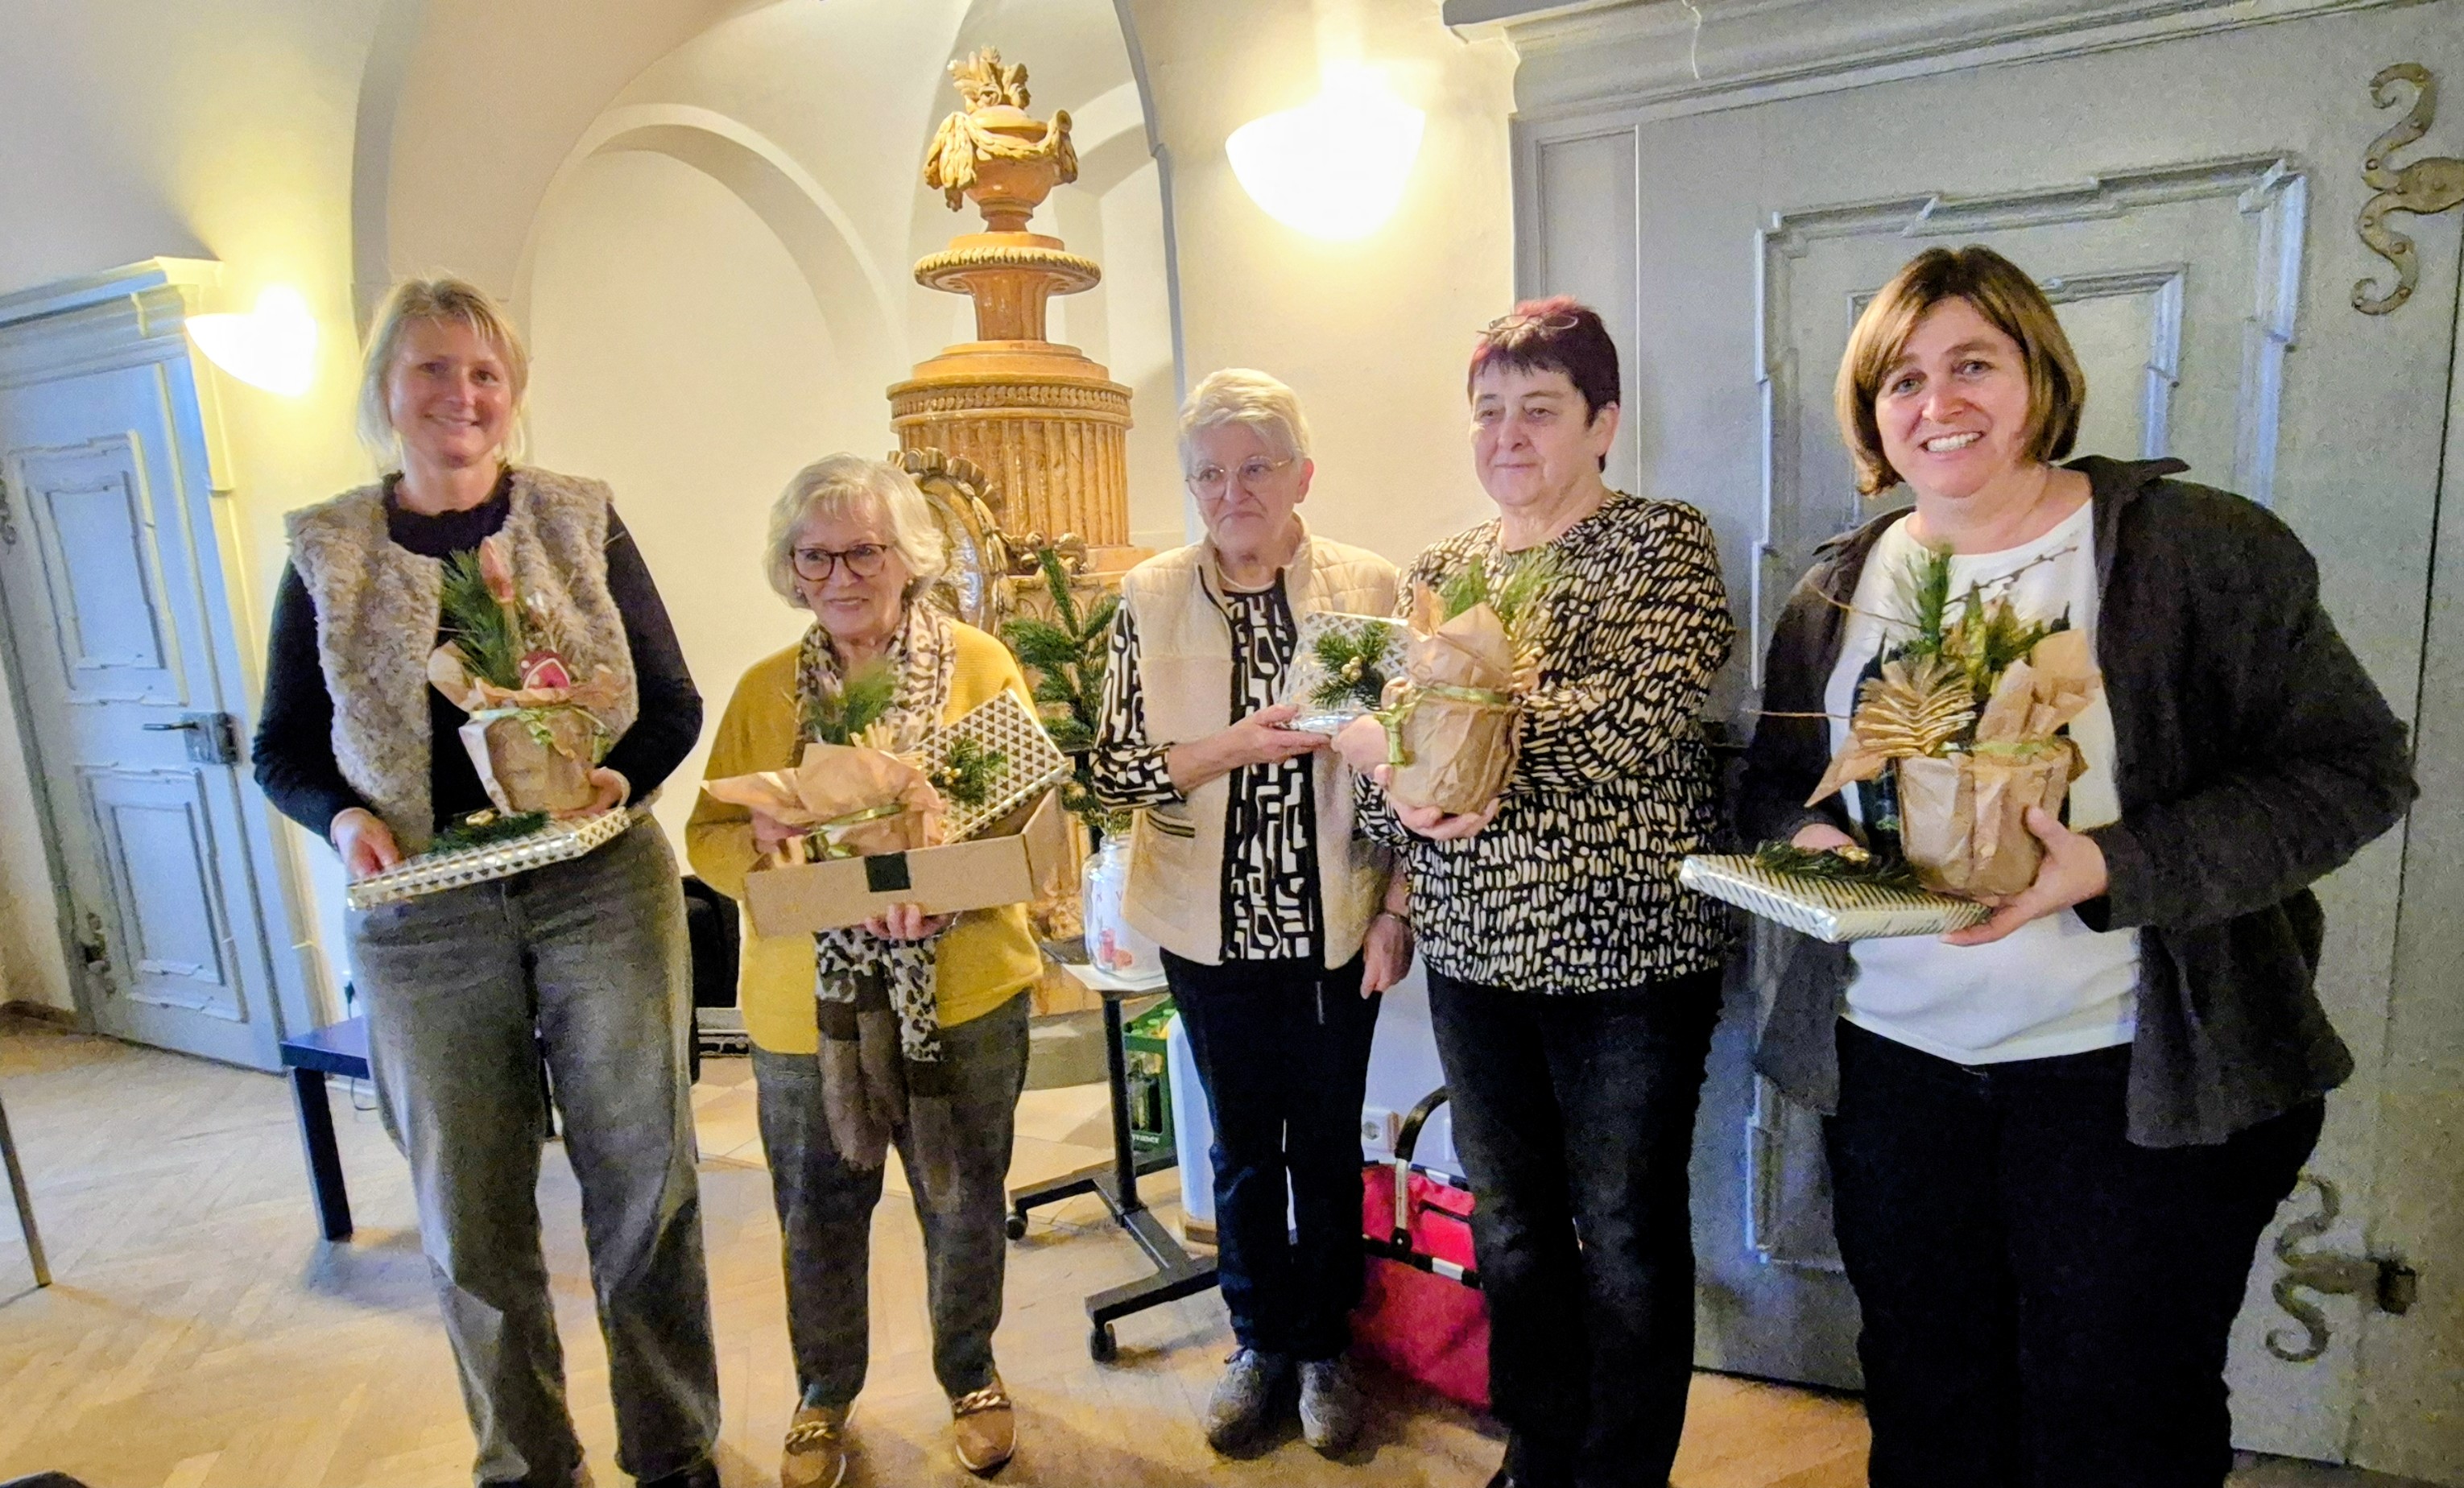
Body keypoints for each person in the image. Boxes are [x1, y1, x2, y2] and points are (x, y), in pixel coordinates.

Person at [1736, 244, 2417, 1487]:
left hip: (2124, 1084)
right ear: (1872, 415)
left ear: (2041, 378)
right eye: (1901, 380)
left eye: (1973, 365)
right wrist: (1814, 841)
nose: (1936, 403)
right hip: (1893, 1077)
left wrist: (2107, 866)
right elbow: (1780, 784)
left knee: (2123, 1427)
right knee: (1929, 1406)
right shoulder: (1837, 586)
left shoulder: (2194, 551)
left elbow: (2352, 771)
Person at [251, 278, 718, 1488]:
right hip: (424, 915)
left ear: (511, 393)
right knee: (467, 1204)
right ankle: (525, 1466)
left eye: (484, 372)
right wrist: (346, 816)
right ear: (385, 391)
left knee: (645, 1178)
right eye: (431, 368)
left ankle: (675, 1453)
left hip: (598, 885)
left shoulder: (579, 517)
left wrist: (616, 780)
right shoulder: (329, 549)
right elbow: (282, 748)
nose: (460, 394)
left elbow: (671, 704)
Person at [1335, 300, 1735, 1488]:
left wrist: (1432, 747)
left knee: (1625, 1229)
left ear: (1602, 422)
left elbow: (1635, 719)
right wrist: (1397, 806)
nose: (1508, 434)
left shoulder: (1662, 542)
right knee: (1510, 1229)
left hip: (1631, 957)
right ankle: (1540, 1451)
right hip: (1474, 954)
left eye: (1541, 409)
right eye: (1489, 410)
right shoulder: (1441, 572)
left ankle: (1624, 1473)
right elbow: (1388, 772)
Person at [685, 455, 1044, 1486]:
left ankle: (970, 1373)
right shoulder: (765, 691)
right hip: (809, 1009)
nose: (841, 576)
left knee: (963, 1199)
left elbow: (1026, 812)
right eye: (816, 556)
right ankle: (822, 1395)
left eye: (864, 551)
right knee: (817, 1212)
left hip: (964, 988)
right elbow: (708, 837)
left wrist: (952, 888)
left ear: (907, 557)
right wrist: (763, 845)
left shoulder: (980, 663)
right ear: (791, 568)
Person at [1089, 369, 1408, 1456]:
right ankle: (1257, 1341)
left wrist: (1397, 908)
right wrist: (1231, 746)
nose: (1233, 493)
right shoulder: (1148, 595)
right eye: (1210, 474)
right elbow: (1113, 769)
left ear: (1301, 476)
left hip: (1335, 919)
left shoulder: (1368, 586)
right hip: (1205, 925)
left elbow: (1407, 760)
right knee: (1240, 1149)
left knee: (1323, 1143)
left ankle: (1324, 1348)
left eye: (1256, 468)